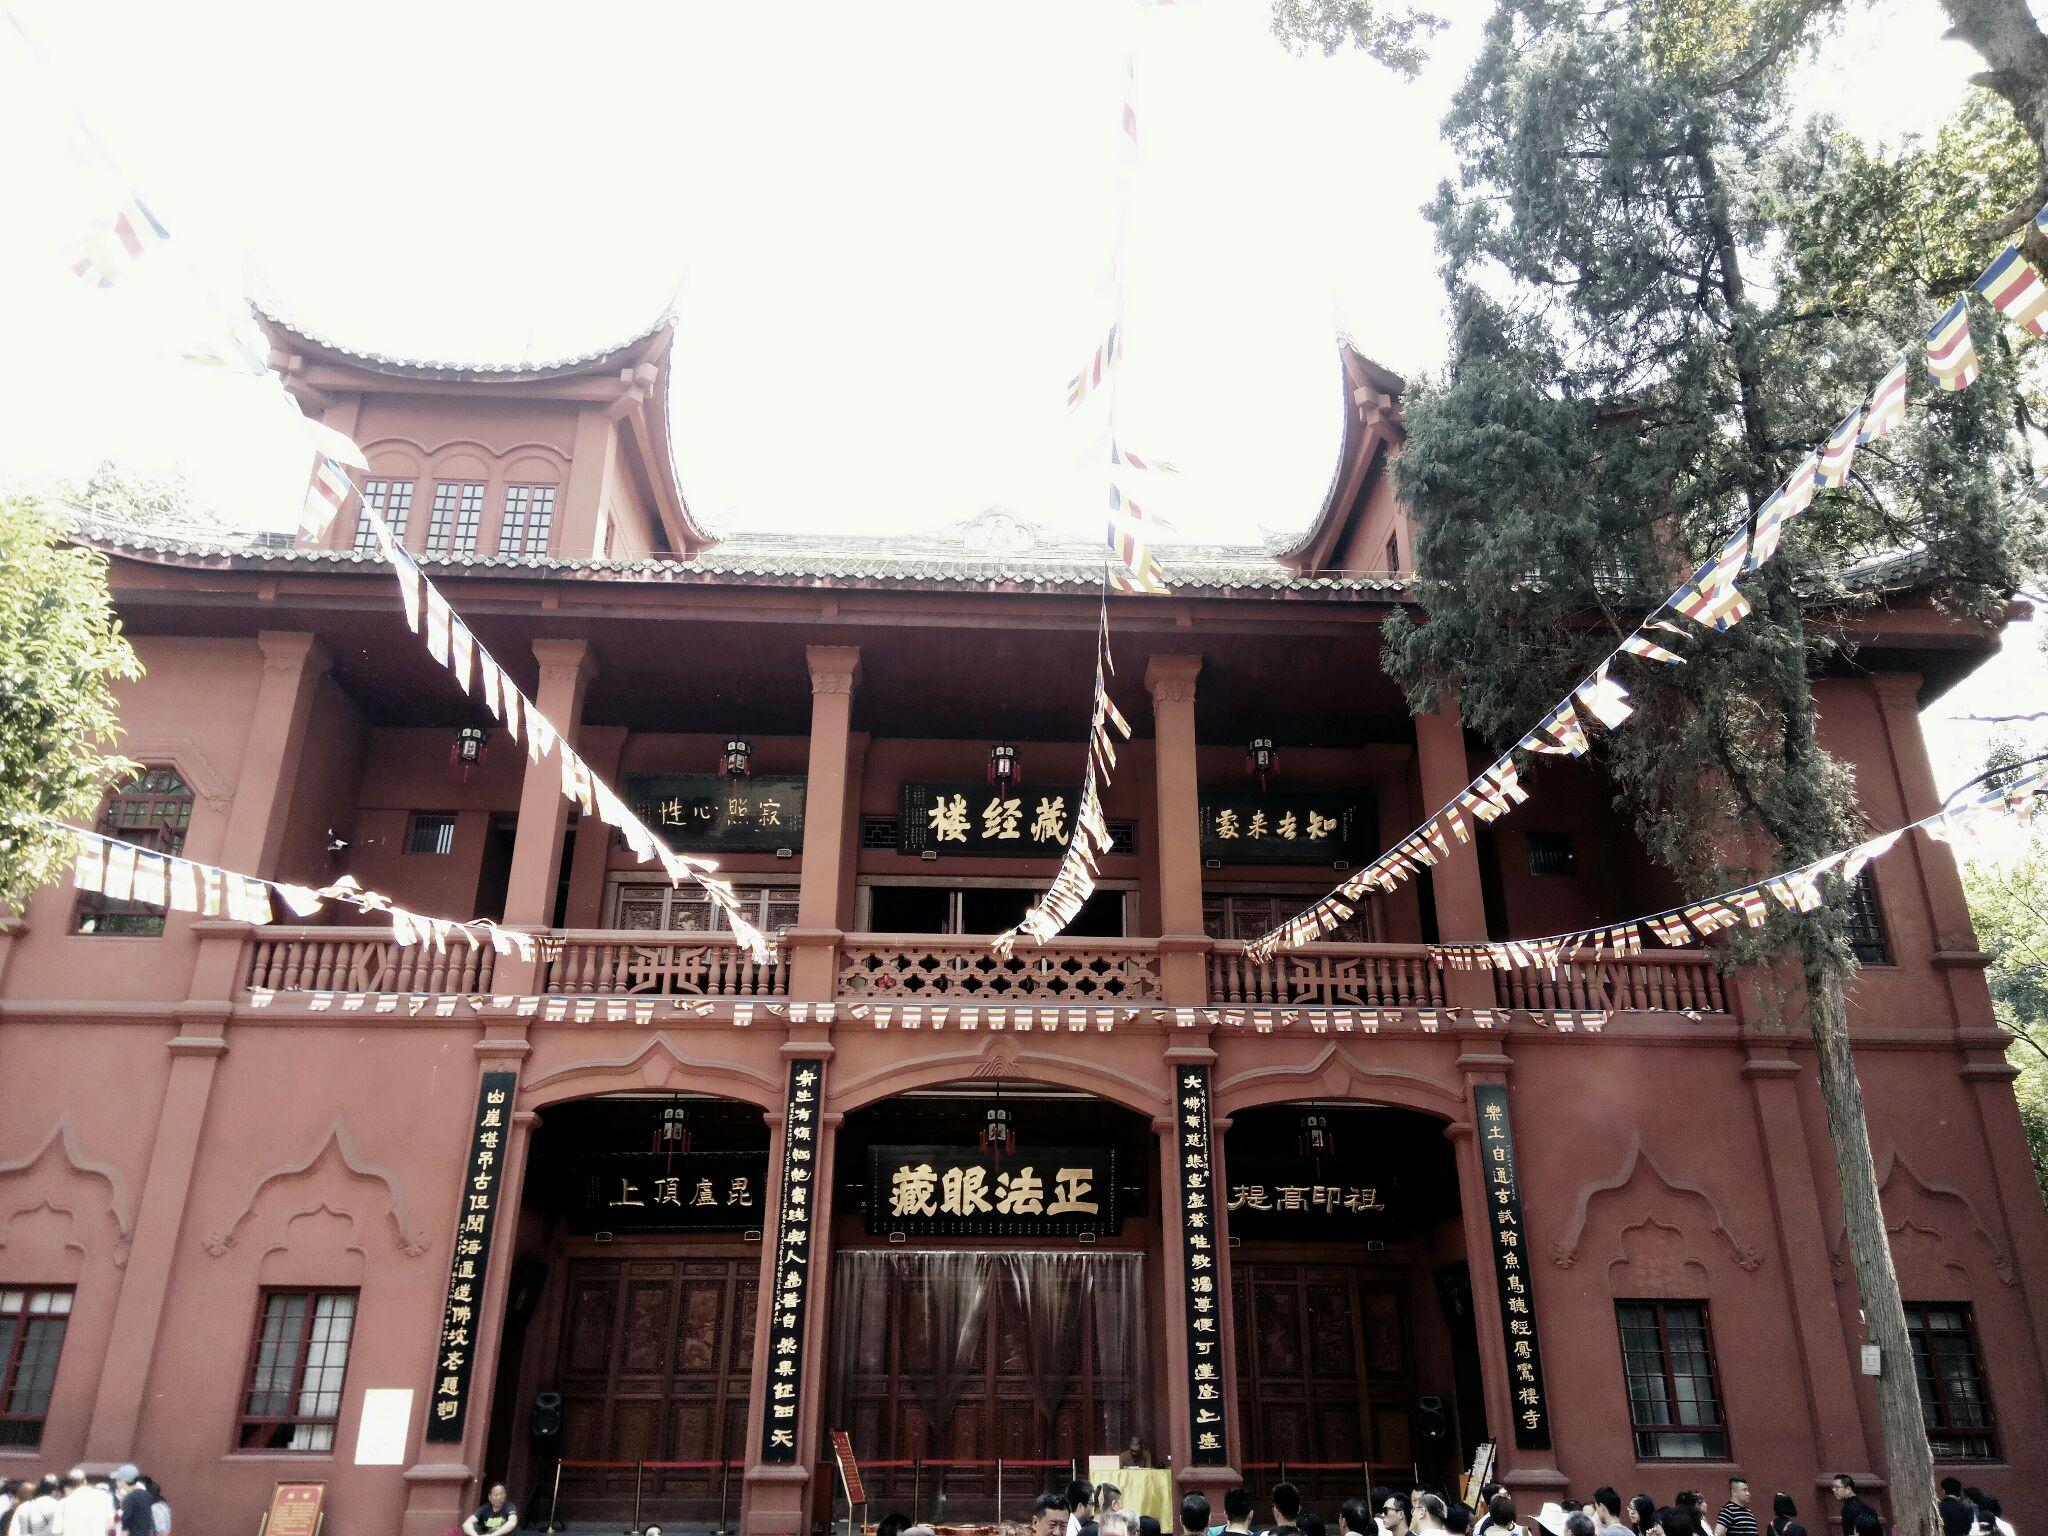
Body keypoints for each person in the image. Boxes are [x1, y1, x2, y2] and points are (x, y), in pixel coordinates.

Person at [57, 1470, 114, 1536]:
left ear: (66, 1488)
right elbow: (109, 1523)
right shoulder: (103, 1495)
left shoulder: (63, 1503)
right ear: (85, 1481)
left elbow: (57, 1532)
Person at [112, 1468, 151, 1536]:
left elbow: (125, 1524)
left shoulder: (129, 1498)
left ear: (124, 1481)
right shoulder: (146, 1495)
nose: (116, 1483)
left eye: (118, 1480)